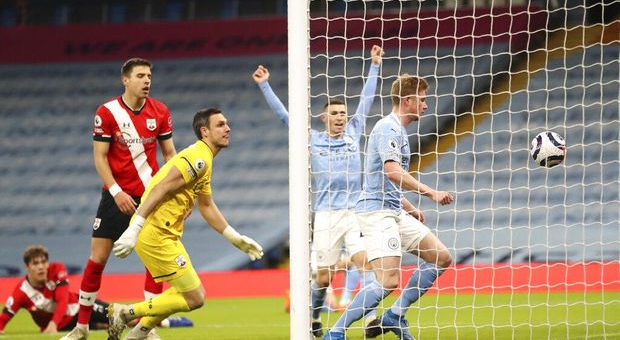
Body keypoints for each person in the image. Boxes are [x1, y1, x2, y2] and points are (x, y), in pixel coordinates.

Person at [252, 45, 383, 337]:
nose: (340, 117)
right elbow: (286, 117)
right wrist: (265, 86)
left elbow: (367, 99)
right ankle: (313, 318)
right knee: (324, 278)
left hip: (355, 213)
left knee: (365, 265)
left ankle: (372, 319)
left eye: (343, 113)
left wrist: (374, 65)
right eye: (334, 113)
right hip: (325, 216)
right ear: (324, 118)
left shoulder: (353, 132)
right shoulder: (312, 139)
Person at [107, 108, 264, 340]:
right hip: (155, 234)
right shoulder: (198, 158)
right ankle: (126, 313)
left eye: (227, 124)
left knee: (189, 294)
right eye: (220, 125)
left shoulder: (205, 159)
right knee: (195, 297)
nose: (228, 128)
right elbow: (161, 187)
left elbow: (206, 206)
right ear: (205, 132)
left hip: (166, 234)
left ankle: (137, 334)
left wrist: (235, 237)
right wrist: (135, 228)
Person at [323, 74, 454, 340]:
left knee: (441, 257)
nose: (426, 105)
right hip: (376, 212)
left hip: (393, 210)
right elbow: (392, 172)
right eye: (422, 99)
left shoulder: (399, 132)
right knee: (388, 281)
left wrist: (408, 207)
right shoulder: (388, 129)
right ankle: (335, 332)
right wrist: (431, 193)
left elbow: (385, 180)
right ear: (408, 100)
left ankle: (394, 315)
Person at [62, 58, 177, 340]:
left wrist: (171, 193)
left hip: (149, 197)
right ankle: (81, 328)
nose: (147, 80)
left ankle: (145, 328)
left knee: (155, 262)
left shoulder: (160, 111)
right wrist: (116, 192)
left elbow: (170, 154)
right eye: (140, 76)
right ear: (125, 80)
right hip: (115, 196)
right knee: (97, 259)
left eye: (149, 75)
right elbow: (100, 157)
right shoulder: (108, 112)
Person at [0, 245, 192, 336]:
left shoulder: (57, 269)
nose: (41, 267)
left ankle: (168, 321)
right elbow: (5, 317)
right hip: (64, 324)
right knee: (108, 328)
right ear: (27, 268)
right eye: (36, 264)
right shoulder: (21, 292)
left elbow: (63, 299)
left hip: (82, 308)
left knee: (126, 319)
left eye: (43, 262)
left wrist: (52, 325)